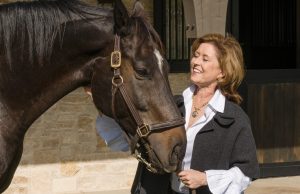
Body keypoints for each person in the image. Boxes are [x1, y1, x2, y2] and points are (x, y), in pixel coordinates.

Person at [93, 33, 260, 194]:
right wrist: (103, 102)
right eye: (196, 55)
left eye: (205, 58)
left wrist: (206, 178)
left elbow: (246, 172)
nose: (195, 61)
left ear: (222, 72)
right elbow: (126, 140)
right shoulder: (170, 105)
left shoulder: (234, 118)